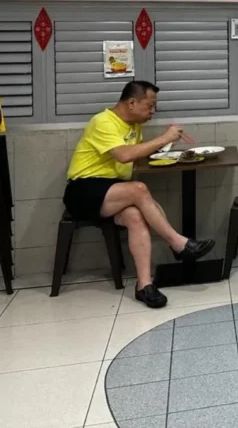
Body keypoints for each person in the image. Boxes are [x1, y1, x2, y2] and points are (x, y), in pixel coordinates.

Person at [64, 81, 215, 309]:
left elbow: (138, 151)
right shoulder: (103, 121)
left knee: (135, 215)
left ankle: (144, 286)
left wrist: (165, 142)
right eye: (150, 106)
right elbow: (124, 155)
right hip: (83, 190)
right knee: (139, 189)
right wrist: (163, 139)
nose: (152, 112)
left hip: (112, 191)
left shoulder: (133, 126)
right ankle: (178, 244)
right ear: (132, 103)